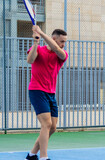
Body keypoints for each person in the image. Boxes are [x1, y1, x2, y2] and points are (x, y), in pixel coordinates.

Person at [25, 26, 68, 160]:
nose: (63, 44)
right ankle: (43, 157)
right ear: (54, 38)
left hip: (50, 93)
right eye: (62, 41)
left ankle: (32, 154)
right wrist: (36, 43)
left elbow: (56, 49)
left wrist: (41, 33)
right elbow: (30, 60)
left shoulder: (62, 54)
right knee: (46, 124)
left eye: (64, 42)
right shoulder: (38, 49)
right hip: (37, 90)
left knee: (53, 127)